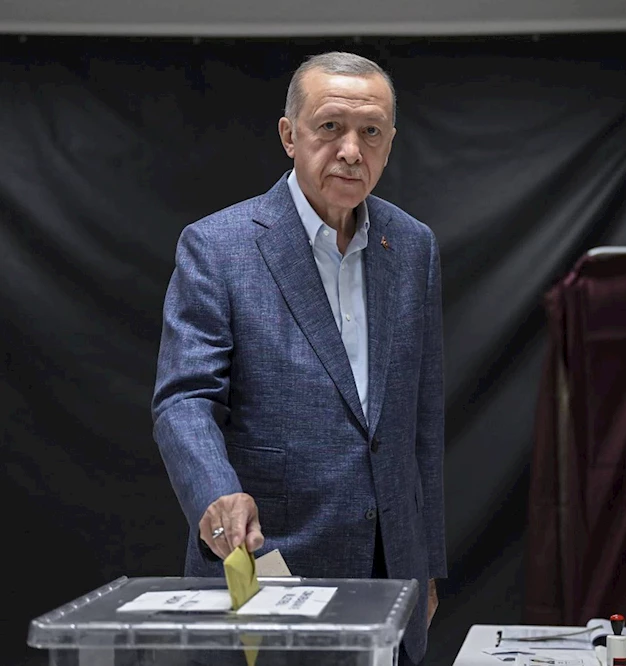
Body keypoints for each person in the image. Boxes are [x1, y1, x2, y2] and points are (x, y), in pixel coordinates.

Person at [151, 52, 445, 665]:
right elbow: (184, 399)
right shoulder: (218, 246)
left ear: (390, 143)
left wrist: (427, 564)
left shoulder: (413, 245)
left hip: (391, 572)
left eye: (371, 132)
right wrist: (215, 495)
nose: (351, 151)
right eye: (330, 126)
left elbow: (422, 420)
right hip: (266, 562)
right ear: (290, 136)